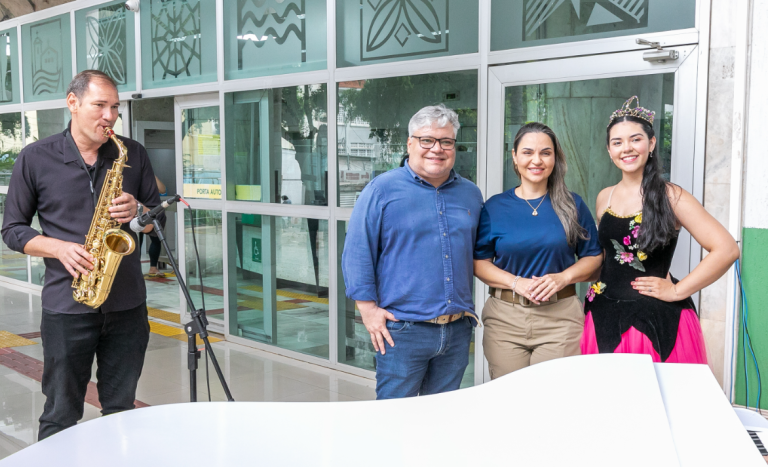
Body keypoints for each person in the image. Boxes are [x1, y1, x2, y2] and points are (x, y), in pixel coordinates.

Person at [1, 70, 164, 440]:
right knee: (60, 413)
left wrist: (139, 212)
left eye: (115, 108)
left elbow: (157, 221)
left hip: (126, 304)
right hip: (66, 305)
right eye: (100, 105)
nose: (109, 116)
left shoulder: (131, 153)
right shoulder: (35, 158)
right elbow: (12, 230)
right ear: (72, 103)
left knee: (122, 409)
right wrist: (57, 247)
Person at [581, 96, 740, 363]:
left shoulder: (672, 196)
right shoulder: (603, 197)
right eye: (617, 142)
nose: (626, 148)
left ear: (651, 143)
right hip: (603, 315)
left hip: (656, 320)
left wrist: (679, 291)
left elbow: (726, 249)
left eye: (635, 139)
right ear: (609, 151)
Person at [342, 104, 483, 399]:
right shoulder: (381, 191)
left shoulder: (470, 193)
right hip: (402, 332)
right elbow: (357, 252)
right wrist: (368, 312)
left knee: (442, 420)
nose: (437, 149)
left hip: (456, 331)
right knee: (395, 419)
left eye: (446, 141)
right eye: (427, 140)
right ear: (410, 144)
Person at [474, 122, 603, 379]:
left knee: (552, 400)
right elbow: (479, 263)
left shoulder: (573, 204)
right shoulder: (494, 207)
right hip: (504, 320)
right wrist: (515, 282)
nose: (537, 160)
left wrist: (563, 277)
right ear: (514, 156)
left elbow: (594, 257)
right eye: (528, 152)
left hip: (561, 318)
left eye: (545, 152)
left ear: (555, 158)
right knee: (510, 400)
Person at [141, 176, 167, 278]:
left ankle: (153, 267)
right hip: (136, 210)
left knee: (156, 239)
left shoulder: (151, 177)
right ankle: (136, 269)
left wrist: (152, 174)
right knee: (136, 242)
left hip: (154, 211)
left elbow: (163, 189)